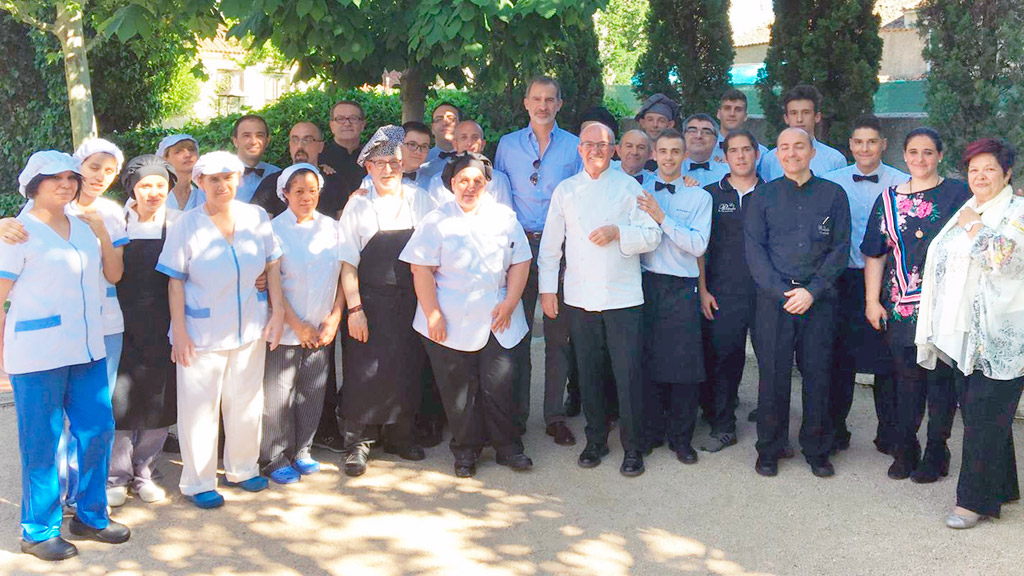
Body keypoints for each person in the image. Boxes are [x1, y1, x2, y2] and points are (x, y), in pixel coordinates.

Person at [1, 151, 129, 561]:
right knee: (42, 441)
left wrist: (102, 235)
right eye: (53, 178)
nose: (65, 184)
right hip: (39, 354)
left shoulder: (82, 226)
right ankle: (38, 531)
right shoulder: (17, 232)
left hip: (87, 349)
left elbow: (113, 275)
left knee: (97, 429)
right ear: (33, 184)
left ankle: (90, 515)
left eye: (70, 177)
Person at [156, 151, 286, 509]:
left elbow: (273, 265)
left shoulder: (256, 216)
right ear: (199, 182)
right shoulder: (186, 223)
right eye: (212, 178)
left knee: (245, 401)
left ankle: (242, 469)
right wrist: (179, 332)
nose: (222, 184)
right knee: (199, 408)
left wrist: (277, 313)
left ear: (239, 179)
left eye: (228, 177)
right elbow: (175, 282)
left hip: (249, 327)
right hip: (201, 332)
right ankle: (197, 481)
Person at [538, 123, 661, 476]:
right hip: (579, 296)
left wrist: (618, 232)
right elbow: (550, 247)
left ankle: (633, 447)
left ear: (614, 151)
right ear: (580, 149)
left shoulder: (629, 187)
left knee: (627, 374)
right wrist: (548, 290)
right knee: (588, 373)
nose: (596, 150)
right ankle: (595, 440)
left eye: (604, 144)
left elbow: (652, 235)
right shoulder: (566, 190)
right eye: (590, 144)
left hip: (623, 297)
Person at [401, 152, 534, 477]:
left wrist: (511, 302)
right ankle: (466, 450)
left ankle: (508, 447)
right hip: (450, 316)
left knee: (499, 385)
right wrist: (432, 313)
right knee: (458, 389)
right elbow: (421, 270)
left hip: (498, 314)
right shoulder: (436, 221)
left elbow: (521, 262)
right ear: (452, 184)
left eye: (477, 181)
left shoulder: (505, 217)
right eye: (463, 181)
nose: (470, 187)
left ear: (487, 184)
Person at [915, 138, 1024, 529]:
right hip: (966, 334)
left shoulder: (1016, 211)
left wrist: (974, 226)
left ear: (1007, 173)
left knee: (981, 417)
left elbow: (1003, 260)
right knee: (987, 415)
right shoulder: (970, 208)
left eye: (990, 169)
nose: (980, 176)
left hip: (1003, 336)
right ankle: (1005, 487)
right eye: (974, 170)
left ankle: (971, 503)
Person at [860, 128, 969, 483]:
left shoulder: (958, 193)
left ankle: (938, 450)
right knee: (905, 382)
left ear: (940, 155)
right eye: (913, 152)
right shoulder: (888, 198)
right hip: (901, 308)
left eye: (927, 152)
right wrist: (872, 301)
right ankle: (906, 448)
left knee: (941, 382)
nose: (919, 159)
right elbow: (875, 254)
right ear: (903, 156)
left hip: (945, 307)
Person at [745, 128, 851, 478]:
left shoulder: (834, 195)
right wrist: (782, 293)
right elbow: (755, 252)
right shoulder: (762, 196)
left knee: (819, 376)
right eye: (785, 148)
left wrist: (813, 291)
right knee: (772, 377)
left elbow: (839, 250)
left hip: (818, 300)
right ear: (777, 154)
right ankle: (769, 448)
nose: (792, 153)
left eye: (799, 147)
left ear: (812, 152)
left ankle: (817, 448)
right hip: (774, 301)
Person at [337, 126, 440, 477]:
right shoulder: (357, 206)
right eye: (379, 163)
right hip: (370, 300)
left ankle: (399, 435)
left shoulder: (420, 199)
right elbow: (347, 263)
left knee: (406, 367)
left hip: (410, 299)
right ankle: (359, 442)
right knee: (364, 370)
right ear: (367, 167)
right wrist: (355, 309)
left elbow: (432, 251)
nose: (387, 170)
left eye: (393, 163)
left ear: (403, 164)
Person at [494, 76, 582, 446]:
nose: (543, 105)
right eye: (537, 99)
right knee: (517, 335)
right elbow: (498, 194)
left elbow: (580, 198)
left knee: (558, 338)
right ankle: (515, 414)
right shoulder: (507, 145)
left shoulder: (575, 146)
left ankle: (554, 415)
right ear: (525, 103)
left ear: (560, 104)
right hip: (519, 251)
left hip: (560, 252)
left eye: (550, 99)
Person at [822, 115, 909, 455]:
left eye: (871, 141)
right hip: (842, 279)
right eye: (858, 142)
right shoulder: (832, 182)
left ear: (883, 144)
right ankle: (835, 431)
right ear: (850, 146)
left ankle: (889, 434)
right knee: (838, 359)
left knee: (888, 362)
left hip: (888, 282)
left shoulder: (903, 182)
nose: (864, 148)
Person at [262, 163, 345, 484]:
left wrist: (334, 317)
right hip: (285, 327)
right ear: (284, 194)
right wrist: (295, 324)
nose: (306, 197)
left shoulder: (333, 228)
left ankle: (302, 450)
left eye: (312, 190)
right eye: (298, 191)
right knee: (277, 395)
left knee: (312, 391)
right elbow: (272, 284)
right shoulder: (273, 230)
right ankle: (273, 456)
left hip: (322, 325)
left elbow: (342, 274)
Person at [107, 155, 181, 507]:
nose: (153, 193)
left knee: (159, 399)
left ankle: (146, 471)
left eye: (160, 186)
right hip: (121, 322)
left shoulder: (180, 223)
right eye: (145, 185)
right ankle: (116, 476)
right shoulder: (114, 222)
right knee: (120, 401)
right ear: (132, 188)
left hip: (164, 322)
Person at [637, 129, 713, 464]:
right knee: (649, 362)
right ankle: (652, 432)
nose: (668, 157)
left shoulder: (700, 197)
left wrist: (662, 217)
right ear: (654, 153)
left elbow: (698, 245)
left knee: (685, 365)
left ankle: (682, 438)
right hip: (645, 284)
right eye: (663, 150)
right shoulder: (637, 191)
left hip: (683, 286)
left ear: (684, 156)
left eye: (675, 152)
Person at [698, 130, 765, 452]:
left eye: (746, 150)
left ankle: (771, 427)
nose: (740, 156)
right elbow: (700, 249)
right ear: (724, 156)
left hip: (767, 294)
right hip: (723, 292)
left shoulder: (773, 193)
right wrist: (702, 289)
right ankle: (723, 425)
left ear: (757, 154)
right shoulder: (709, 195)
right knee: (725, 359)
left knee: (772, 362)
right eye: (734, 150)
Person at [251, 121, 351, 219]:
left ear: (320, 147)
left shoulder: (336, 183)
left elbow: (345, 226)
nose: (300, 146)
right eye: (295, 140)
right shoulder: (272, 182)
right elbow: (257, 227)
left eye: (307, 140)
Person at [758, 85, 847, 181]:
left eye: (806, 112)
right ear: (786, 118)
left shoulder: (834, 160)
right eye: (794, 113)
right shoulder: (770, 160)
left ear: (817, 117)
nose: (799, 119)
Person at [427, 120, 513, 208]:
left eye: (475, 138)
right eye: (463, 138)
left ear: (483, 144)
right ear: (455, 144)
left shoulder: (499, 180)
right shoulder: (438, 181)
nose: (469, 143)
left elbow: (507, 218)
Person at [321, 100, 368, 196]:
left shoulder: (372, 158)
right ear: (332, 126)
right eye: (340, 119)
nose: (347, 124)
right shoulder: (319, 159)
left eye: (353, 118)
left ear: (363, 125)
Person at [715, 89, 770, 166]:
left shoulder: (762, 153)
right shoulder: (705, 150)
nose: (732, 114)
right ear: (718, 114)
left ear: (745, 116)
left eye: (738, 110)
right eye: (727, 108)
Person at [232, 114, 280, 203]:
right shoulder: (218, 176)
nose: (253, 142)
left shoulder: (279, 175)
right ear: (235, 141)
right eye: (246, 135)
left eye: (260, 135)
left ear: (267, 141)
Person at [157, 134, 205, 211]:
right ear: (165, 158)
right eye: (178, 152)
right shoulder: (155, 194)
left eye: (192, 150)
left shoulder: (201, 196)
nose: (187, 155)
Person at [681, 114, 729, 187]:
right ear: (683, 137)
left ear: (715, 140)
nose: (698, 136)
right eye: (693, 131)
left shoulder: (728, 172)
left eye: (706, 132)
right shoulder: (670, 172)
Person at [635, 94, 679, 171]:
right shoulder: (633, 155)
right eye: (650, 120)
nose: (655, 125)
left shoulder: (678, 158)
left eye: (661, 121)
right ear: (642, 123)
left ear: (670, 125)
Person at [419, 102, 462, 180]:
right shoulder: (420, 159)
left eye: (451, 118)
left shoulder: (471, 159)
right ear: (432, 128)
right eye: (439, 119)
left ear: (461, 125)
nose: (445, 123)